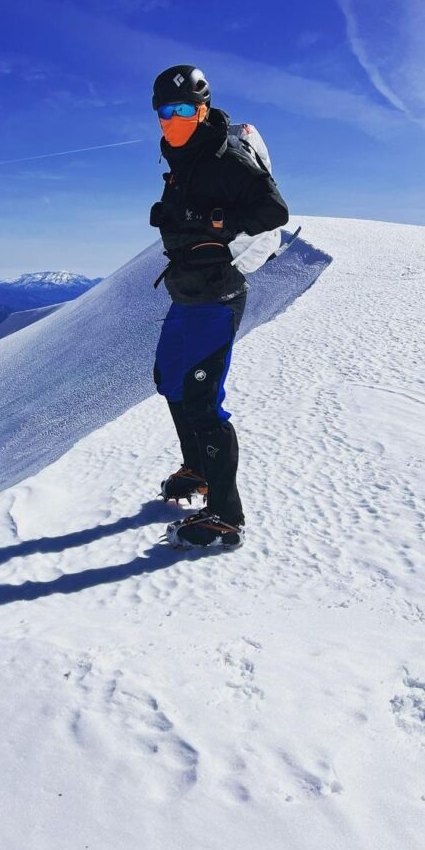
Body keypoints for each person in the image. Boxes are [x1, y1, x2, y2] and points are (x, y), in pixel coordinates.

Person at [149, 65, 289, 549]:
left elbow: (275, 212)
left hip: (218, 293)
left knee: (203, 403)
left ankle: (227, 518)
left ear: (203, 108)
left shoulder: (226, 156)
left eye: (185, 109)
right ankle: (199, 469)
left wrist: (217, 219)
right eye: (166, 111)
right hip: (186, 290)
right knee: (169, 380)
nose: (175, 118)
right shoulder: (182, 157)